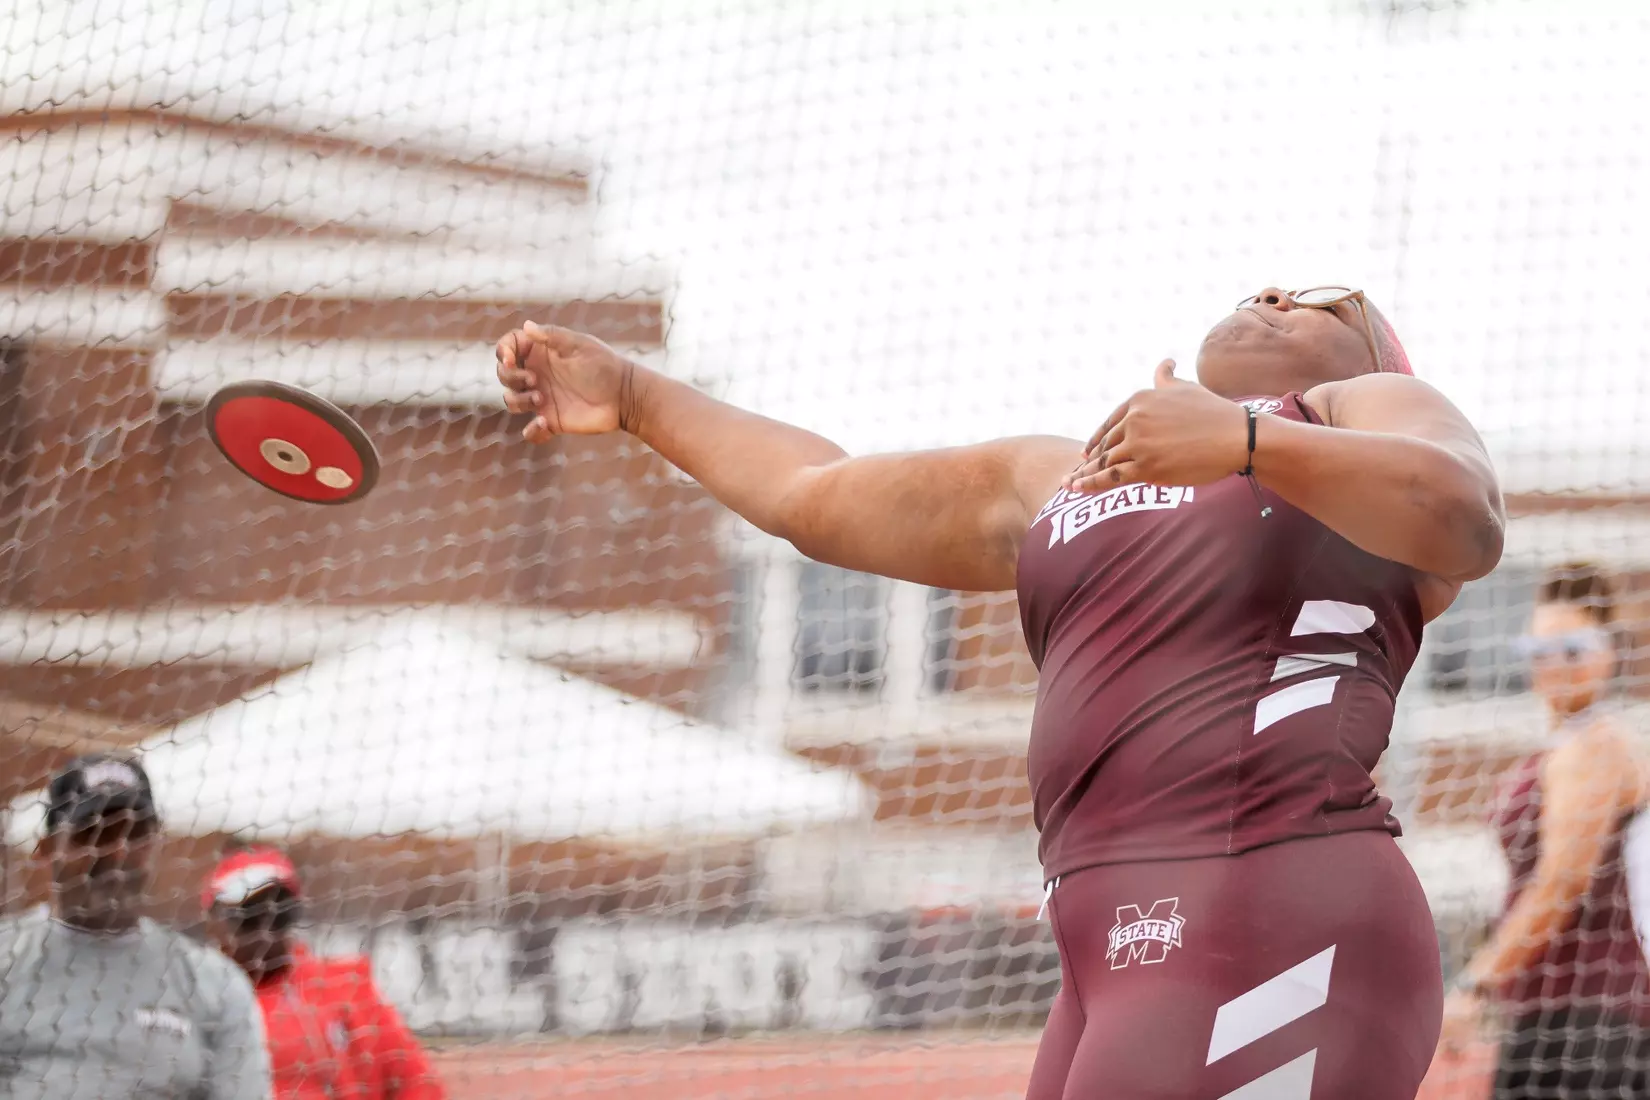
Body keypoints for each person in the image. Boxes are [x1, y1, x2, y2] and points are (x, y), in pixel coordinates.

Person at [494, 284, 1505, 1099]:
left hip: (1281, 907)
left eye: (1329, 303)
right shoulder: (1061, 476)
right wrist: (634, 396)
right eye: (1263, 286)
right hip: (1106, 945)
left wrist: (1245, 443)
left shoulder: (1361, 414)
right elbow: (816, 494)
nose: (1278, 294)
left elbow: (1467, 513)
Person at [1439, 563, 1650, 1097]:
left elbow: (1560, 884)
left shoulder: (1595, 746)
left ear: (1609, 651)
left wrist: (1475, 985)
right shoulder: (1559, 747)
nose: (1553, 665)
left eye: (1573, 648)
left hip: (1594, 1024)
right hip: (1553, 1014)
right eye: (1538, 650)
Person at [0, 753, 270, 1099]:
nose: (117, 853)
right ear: (46, 848)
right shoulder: (8, 960)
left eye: (135, 834)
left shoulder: (212, 984)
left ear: (157, 844)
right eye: (94, 834)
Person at [202, 844, 446, 1100]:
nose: (266, 928)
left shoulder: (347, 987)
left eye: (280, 914)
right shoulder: (200, 1006)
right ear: (214, 924)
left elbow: (417, 1082)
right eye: (249, 915)